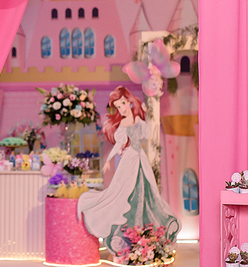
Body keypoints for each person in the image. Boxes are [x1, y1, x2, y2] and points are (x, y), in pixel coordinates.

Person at [76, 86, 179, 253]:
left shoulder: (138, 120)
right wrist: (108, 160)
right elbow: (119, 144)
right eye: (118, 106)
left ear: (129, 102)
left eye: (122, 104)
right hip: (130, 158)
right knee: (124, 193)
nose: (121, 108)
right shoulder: (123, 123)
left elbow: (147, 135)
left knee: (147, 190)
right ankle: (127, 234)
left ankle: (145, 233)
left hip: (140, 158)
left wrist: (148, 115)